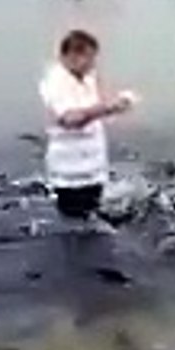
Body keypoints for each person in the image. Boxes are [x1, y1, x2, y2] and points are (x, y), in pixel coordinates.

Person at [39, 29, 136, 222]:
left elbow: (94, 108)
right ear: (71, 56)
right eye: (89, 58)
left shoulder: (87, 77)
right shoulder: (54, 83)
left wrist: (118, 106)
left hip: (93, 169)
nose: (92, 64)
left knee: (102, 218)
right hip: (70, 174)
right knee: (79, 225)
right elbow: (70, 119)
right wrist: (107, 108)